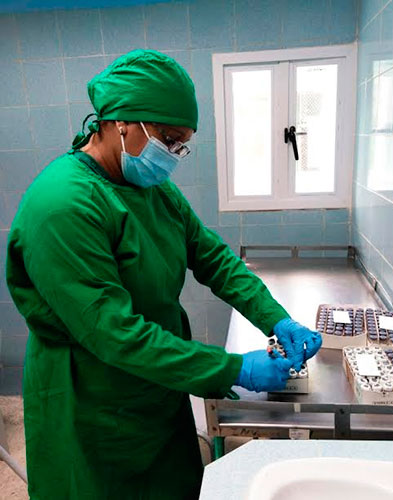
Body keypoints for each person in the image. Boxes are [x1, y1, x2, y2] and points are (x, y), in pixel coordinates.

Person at [6, 50, 322, 499]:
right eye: (168, 139)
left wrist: (276, 318)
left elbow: (211, 255)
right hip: (91, 400)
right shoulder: (63, 204)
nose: (172, 155)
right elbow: (113, 333)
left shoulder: (151, 189)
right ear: (122, 122)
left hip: (155, 383)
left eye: (181, 144)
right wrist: (234, 369)